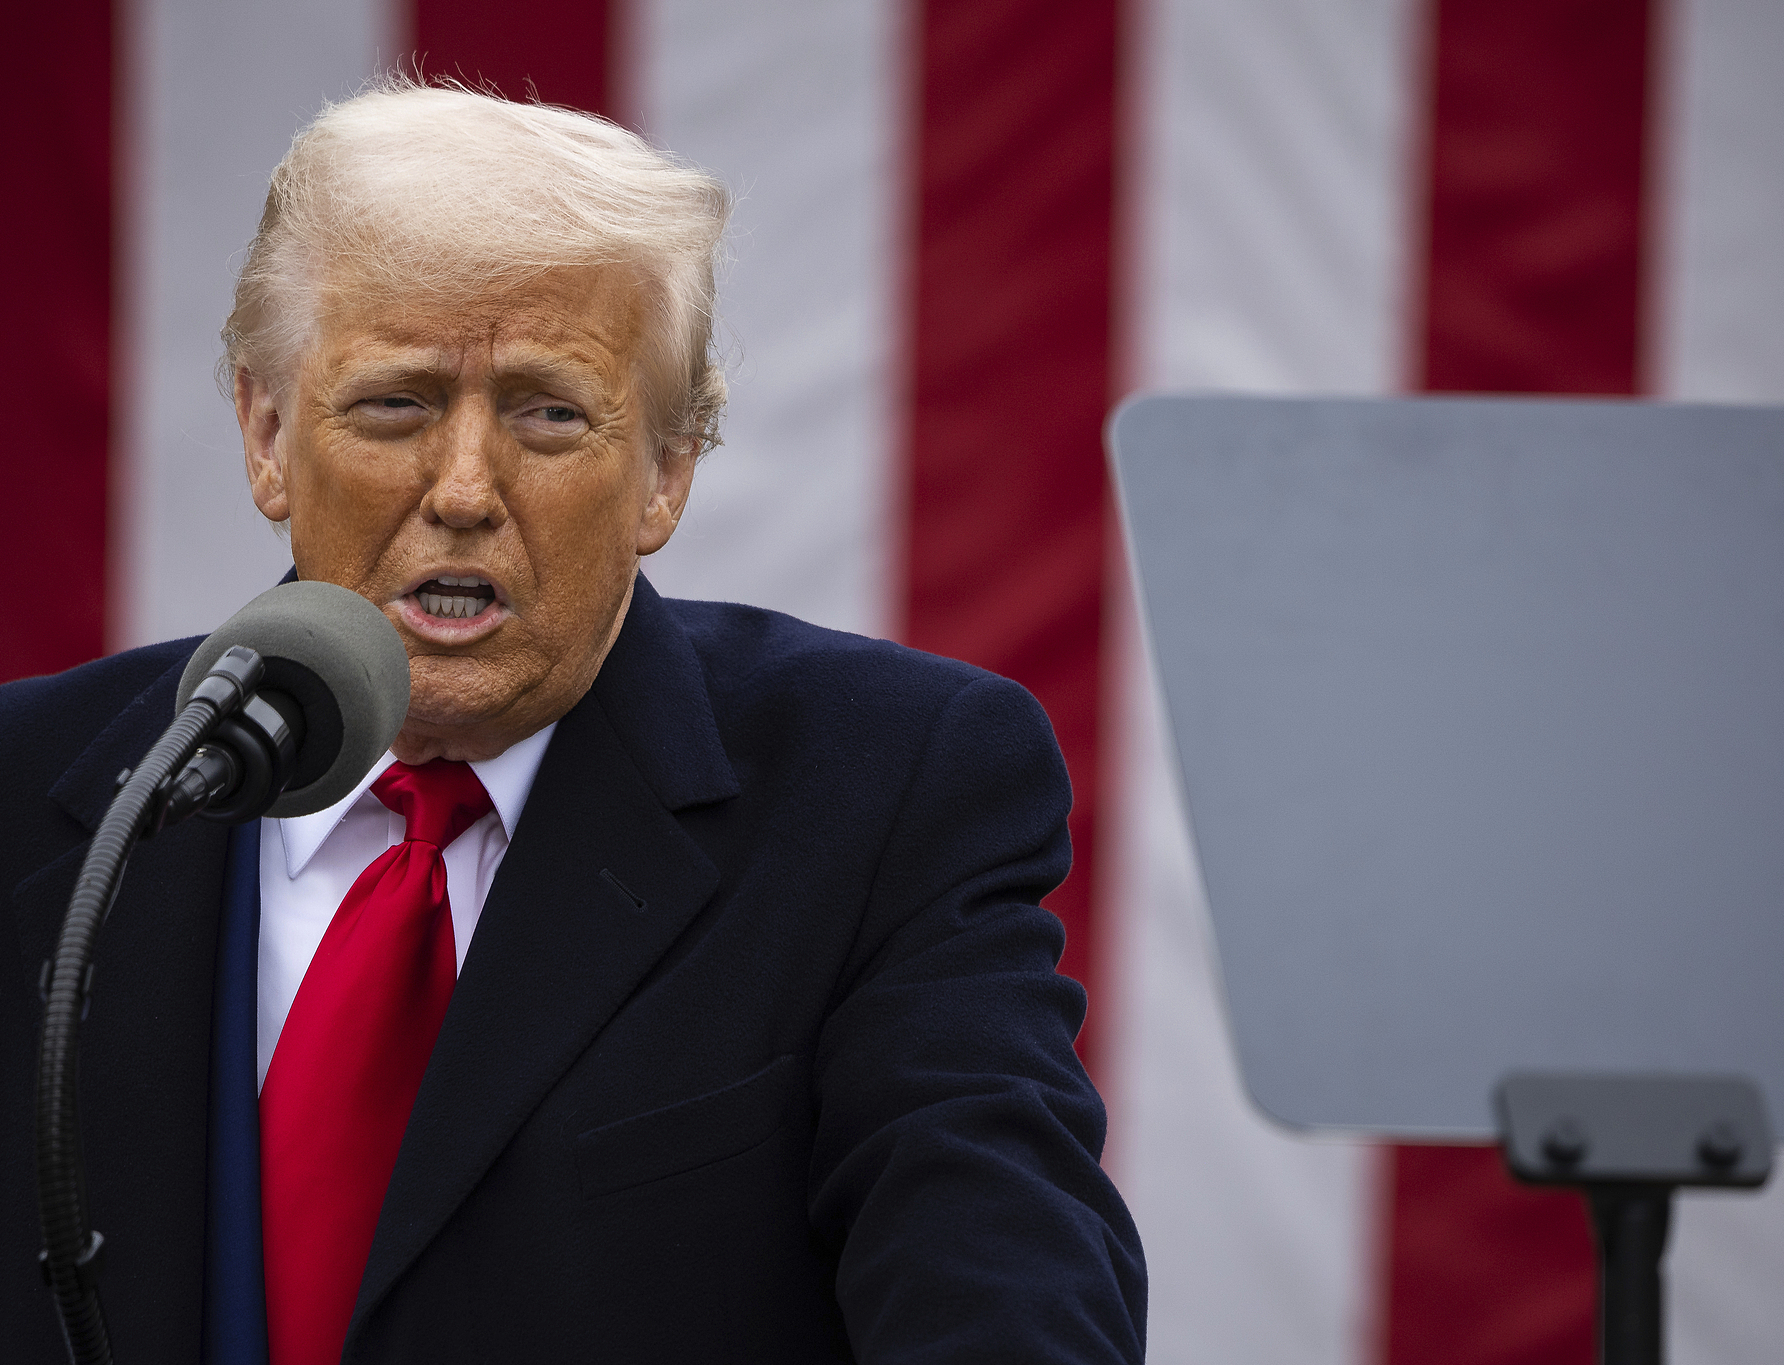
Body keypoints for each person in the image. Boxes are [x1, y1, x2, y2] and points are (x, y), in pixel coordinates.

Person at [0, 80, 1145, 1363]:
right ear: (268, 434)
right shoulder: (29, 791)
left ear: (665, 470)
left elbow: (996, 1274)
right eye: (398, 403)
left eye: (550, 411)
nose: (467, 490)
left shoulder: (885, 791)